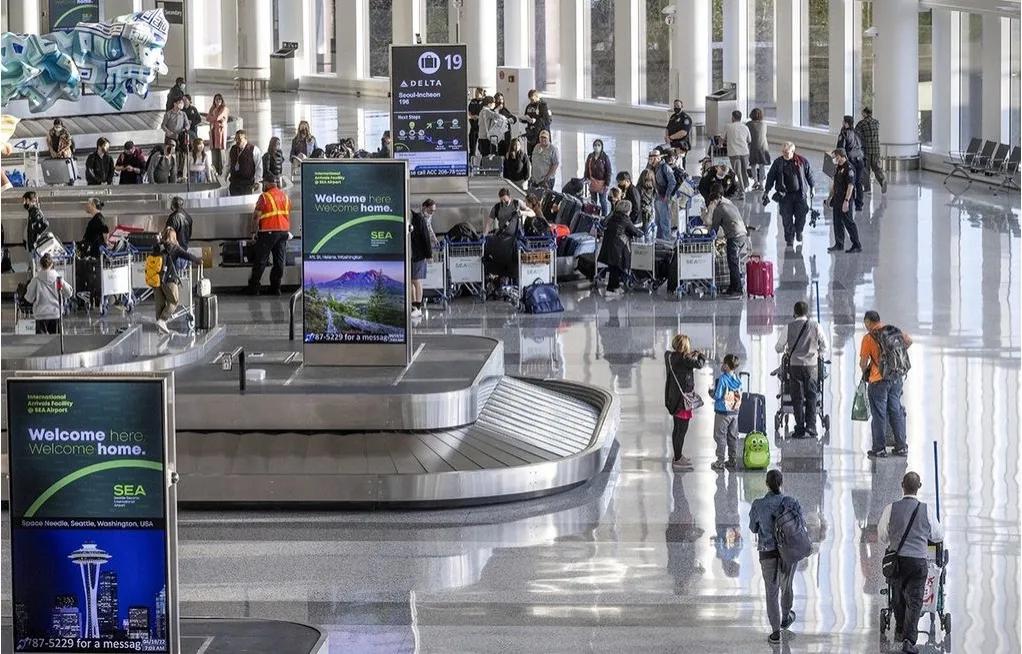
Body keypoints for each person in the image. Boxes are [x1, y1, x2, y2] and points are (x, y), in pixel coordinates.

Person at [878, 472, 944, 654]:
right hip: (918, 562)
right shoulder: (926, 509)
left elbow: (883, 535)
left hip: (897, 562)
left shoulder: (891, 508)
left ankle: (900, 628)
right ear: (919, 486)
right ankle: (909, 639)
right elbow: (938, 535)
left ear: (902, 485)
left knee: (898, 597)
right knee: (915, 600)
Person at [749, 469, 805, 645]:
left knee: (771, 592)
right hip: (789, 553)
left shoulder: (758, 504)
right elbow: (800, 525)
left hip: (767, 553)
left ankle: (775, 633)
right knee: (786, 586)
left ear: (766, 484)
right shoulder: (792, 502)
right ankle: (786, 616)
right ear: (781, 483)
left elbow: (753, 528)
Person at [860, 310, 913, 458]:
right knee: (895, 410)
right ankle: (901, 446)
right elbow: (909, 341)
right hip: (896, 376)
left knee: (879, 414)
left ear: (869, 322)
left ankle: (879, 448)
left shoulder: (868, 338)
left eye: (865, 323)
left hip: (878, 380)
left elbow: (863, 363)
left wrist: (867, 371)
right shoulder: (892, 331)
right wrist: (895, 355)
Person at [775, 301, 828, 438]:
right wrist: (818, 353)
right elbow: (825, 346)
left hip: (795, 367)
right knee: (812, 395)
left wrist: (786, 350)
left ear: (794, 313)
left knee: (797, 397)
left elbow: (778, 347)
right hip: (811, 367)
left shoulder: (789, 327)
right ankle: (811, 427)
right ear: (807, 312)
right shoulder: (816, 326)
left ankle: (799, 428)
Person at [664, 333, 706, 471]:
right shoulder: (684, 359)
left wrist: (689, 354)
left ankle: (678, 455)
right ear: (685, 346)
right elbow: (699, 364)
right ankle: (677, 459)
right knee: (682, 430)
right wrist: (701, 355)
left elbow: (682, 359)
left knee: (677, 429)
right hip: (683, 401)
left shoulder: (669, 356)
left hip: (674, 398)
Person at [763, 142, 815, 247]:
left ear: (792, 151)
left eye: (786, 152)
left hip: (800, 195)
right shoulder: (778, 163)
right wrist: (766, 191)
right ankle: (789, 238)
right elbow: (770, 177)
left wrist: (812, 187)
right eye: (783, 152)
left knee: (801, 215)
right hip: (785, 196)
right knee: (786, 218)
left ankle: (799, 231)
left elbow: (809, 174)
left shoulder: (801, 161)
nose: (784, 154)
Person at [152, 226, 202, 334]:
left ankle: (160, 327)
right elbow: (187, 255)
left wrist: (158, 241)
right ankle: (162, 320)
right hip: (169, 279)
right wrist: (198, 260)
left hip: (156, 280)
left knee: (160, 304)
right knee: (173, 301)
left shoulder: (157, 247)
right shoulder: (174, 248)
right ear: (174, 237)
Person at [247, 179, 291, 295]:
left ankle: (254, 288)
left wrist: (253, 232)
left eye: (263, 184)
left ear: (266, 184)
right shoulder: (285, 196)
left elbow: (256, 216)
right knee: (279, 261)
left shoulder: (264, 197)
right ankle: (276, 288)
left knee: (261, 260)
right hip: (283, 232)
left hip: (268, 232)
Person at [706, 183, 749, 297]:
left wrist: (708, 236)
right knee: (733, 262)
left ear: (714, 201)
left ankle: (738, 289)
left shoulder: (719, 209)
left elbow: (714, 229)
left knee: (733, 263)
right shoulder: (729, 204)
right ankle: (732, 287)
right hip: (742, 234)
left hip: (734, 236)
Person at [598, 200, 643, 295]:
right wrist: (642, 233)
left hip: (608, 244)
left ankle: (616, 287)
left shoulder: (613, 216)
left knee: (613, 268)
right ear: (627, 210)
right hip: (617, 247)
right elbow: (634, 231)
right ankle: (610, 289)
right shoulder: (625, 219)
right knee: (616, 268)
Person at [23, 253, 73, 334]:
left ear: (40, 265)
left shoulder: (35, 280)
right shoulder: (58, 279)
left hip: (40, 315)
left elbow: (29, 298)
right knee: (55, 342)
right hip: (55, 314)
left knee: (41, 343)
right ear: (52, 264)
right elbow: (69, 293)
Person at [826, 148, 862, 254]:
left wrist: (846, 201)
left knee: (848, 222)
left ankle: (856, 245)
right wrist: (829, 197)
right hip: (837, 199)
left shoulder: (849, 168)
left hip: (845, 200)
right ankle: (839, 244)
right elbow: (834, 185)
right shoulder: (838, 167)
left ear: (842, 156)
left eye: (836, 157)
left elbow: (850, 186)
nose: (835, 159)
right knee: (837, 222)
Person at [711, 354, 743, 471]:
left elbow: (718, 395)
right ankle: (732, 459)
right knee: (732, 436)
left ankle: (720, 461)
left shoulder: (723, 379)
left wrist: (711, 394)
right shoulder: (737, 379)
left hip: (722, 413)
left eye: (724, 363)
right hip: (734, 413)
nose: (722, 365)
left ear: (727, 366)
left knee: (720, 436)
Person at [410, 199, 435, 318]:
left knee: (417, 280)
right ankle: (414, 306)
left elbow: (426, 237)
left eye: (433, 211)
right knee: (411, 281)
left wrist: (429, 255)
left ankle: (418, 306)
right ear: (424, 207)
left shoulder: (419, 219)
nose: (431, 213)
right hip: (412, 254)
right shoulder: (416, 218)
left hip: (418, 255)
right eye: (430, 210)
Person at [855, 107, 888, 194]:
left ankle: (867, 188)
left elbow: (856, 134)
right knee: (876, 168)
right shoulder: (876, 122)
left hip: (866, 150)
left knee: (865, 169)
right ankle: (882, 180)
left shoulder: (861, 123)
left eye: (863, 113)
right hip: (876, 150)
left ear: (865, 113)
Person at [837, 115, 866, 211]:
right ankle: (859, 205)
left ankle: (849, 202)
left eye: (843, 122)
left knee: (850, 182)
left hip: (851, 160)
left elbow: (840, 149)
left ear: (846, 123)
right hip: (860, 159)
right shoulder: (858, 132)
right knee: (858, 182)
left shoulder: (844, 134)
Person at [723, 110, 752, 192]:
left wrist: (721, 143)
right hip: (744, 152)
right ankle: (745, 185)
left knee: (738, 173)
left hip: (734, 153)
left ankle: (742, 190)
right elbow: (749, 140)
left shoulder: (728, 126)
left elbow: (722, 138)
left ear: (732, 117)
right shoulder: (745, 127)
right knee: (744, 171)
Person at [651, 149, 677, 239]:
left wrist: (667, 195)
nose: (651, 161)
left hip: (663, 199)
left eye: (653, 158)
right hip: (657, 198)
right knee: (658, 222)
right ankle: (659, 241)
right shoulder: (653, 168)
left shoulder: (664, 167)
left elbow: (672, 182)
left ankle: (666, 242)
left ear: (658, 158)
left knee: (664, 222)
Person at [161, 97, 189, 181]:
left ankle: (180, 172)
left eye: (182, 103)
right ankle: (171, 171)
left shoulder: (183, 114)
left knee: (182, 154)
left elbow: (187, 124)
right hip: (170, 137)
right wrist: (168, 131)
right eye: (179, 103)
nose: (181, 104)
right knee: (171, 152)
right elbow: (163, 125)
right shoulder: (168, 114)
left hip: (180, 136)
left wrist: (185, 129)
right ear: (175, 104)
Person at [227, 130, 262, 196]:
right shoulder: (231, 150)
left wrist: (257, 182)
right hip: (234, 184)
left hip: (248, 184)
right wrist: (223, 179)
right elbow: (227, 166)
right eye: (236, 139)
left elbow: (259, 167)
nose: (237, 141)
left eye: (239, 139)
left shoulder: (254, 150)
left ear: (245, 139)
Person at [584, 139, 613, 216]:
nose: (596, 147)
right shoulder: (590, 156)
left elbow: (609, 171)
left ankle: (604, 216)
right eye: (595, 145)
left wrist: (607, 183)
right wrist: (586, 178)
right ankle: (595, 215)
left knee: (602, 200)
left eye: (598, 145)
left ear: (601, 147)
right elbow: (587, 168)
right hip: (592, 182)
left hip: (602, 184)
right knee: (593, 200)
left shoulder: (605, 157)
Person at [522, 89, 552, 156]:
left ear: (536, 96)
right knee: (531, 154)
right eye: (530, 100)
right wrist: (523, 119)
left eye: (532, 99)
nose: (531, 101)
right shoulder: (529, 106)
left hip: (540, 133)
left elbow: (547, 120)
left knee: (541, 154)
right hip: (531, 133)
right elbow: (526, 116)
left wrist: (536, 121)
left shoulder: (543, 106)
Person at [747, 108, 771, 191]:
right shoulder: (764, 124)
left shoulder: (748, 124)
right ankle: (761, 184)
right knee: (762, 165)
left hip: (753, 147)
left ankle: (755, 181)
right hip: (763, 147)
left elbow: (748, 136)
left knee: (753, 165)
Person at [206, 93, 229, 176]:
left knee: (221, 152)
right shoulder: (212, 108)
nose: (218, 101)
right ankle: (215, 172)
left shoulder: (224, 108)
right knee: (214, 153)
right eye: (216, 99)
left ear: (222, 100)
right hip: (213, 131)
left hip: (220, 132)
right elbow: (207, 118)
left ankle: (222, 173)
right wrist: (214, 118)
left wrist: (213, 117)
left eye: (219, 99)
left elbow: (217, 117)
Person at [665, 99, 693, 167]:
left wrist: (671, 137)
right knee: (672, 162)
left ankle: (682, 175)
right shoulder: (673, 116)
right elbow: (667, 128)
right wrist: (667, 137)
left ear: (682, 106)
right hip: (672, 143)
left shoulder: (686, 118)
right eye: (674, 106)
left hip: (681, 145)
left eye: (677, 105)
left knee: (680, 163)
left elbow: (683, 132)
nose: (676, 107)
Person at [637, 168, 657, 237]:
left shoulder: (639, 188)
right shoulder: (652, 188)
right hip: (648, 212)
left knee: (644, 231)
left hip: (644, 213)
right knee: (647, 231)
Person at [467, 87, 486, 157]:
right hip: (473, 125)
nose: (476, 94)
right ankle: (472, 156)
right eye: (475, 93)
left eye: (477, 93)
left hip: (481, 127)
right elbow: (469, 111)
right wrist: (472, 116)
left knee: (481, 145)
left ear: (481, 93)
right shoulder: (472, 101)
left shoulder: (484, 102)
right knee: (472, 143)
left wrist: (478, 117)